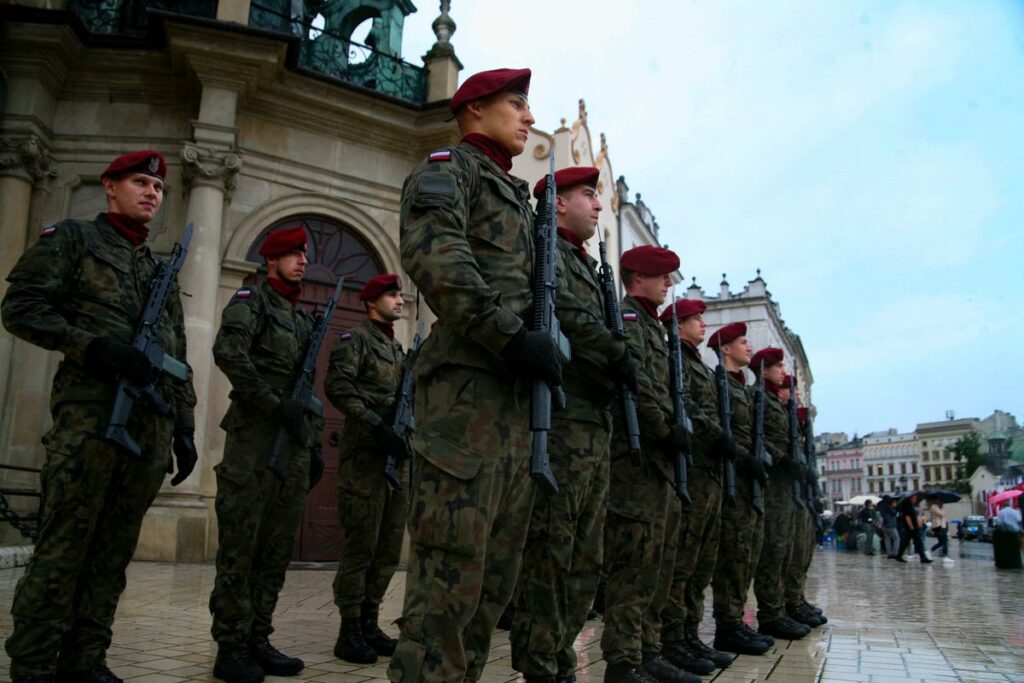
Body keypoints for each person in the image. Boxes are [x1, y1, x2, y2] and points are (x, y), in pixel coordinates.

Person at [388, 68, 566, 683]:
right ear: (474, 110)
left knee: (493, 585)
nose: (527, 117)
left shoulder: (517, 195)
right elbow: (438, 258)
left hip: (513, 409)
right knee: (447, 585)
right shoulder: (448, 169)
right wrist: (511, 337)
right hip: (464, 403)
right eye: (516, 104)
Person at [2, 150, 198, 682]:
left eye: (157, 187)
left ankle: (86, 660)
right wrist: (92, 348)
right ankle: (35, 665)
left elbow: (177, 354)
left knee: (112, 555)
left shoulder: (157, 269)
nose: (152, 193)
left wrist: (184, 426)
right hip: (90, 422)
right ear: (110, 187)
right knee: (63, 548)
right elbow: (20, 308)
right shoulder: (72, 240)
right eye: (140, 182)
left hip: (147, 429)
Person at [510, 167, 636, 683]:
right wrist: (614, 351)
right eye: (589, 194)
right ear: (558, 204)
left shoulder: (588, 264)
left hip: (594, 427)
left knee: (586, 557)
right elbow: (566, 314)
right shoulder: (547, 255)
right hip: (561, 422)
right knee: (551, 551)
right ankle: (540, 662)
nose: (599, 204)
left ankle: (561, 656)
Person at [209, 225, 325, 682]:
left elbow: (306, 390)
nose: (301, 260)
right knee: (242, 548)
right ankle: (230, 647)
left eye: (303, 254)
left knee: (275, 549)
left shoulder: (300, 320)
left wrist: (311, 441)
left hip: (291, 447)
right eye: (291, 254)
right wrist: (274, 404)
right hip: (254, 442)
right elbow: (229, 355)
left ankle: (258, 637)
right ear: (269, 260)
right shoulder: (249, 302)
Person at [600, 245, 697, 683]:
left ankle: (648, 650)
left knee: (657, 565)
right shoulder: (630, 320)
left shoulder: (655, 329)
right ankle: (623, 662)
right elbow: (638, 385)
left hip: (658, 465)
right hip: (636, 460)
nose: (669, 285)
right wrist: (665, 430)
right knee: (633, 567)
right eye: (663, 276)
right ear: (638, 277)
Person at [325, 274, 409, 664]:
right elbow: (339, 388)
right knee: (361, 546)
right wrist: (377, 425)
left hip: (396, 463)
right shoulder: (355, 340)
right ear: (371, 301)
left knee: (388, 548)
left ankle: (370, 621)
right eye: (393, 295)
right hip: (365, 458)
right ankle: (349, 629)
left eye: (401, 294)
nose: (400, 300)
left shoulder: (397, 349)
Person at [658, 300, 737, 675]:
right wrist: (716, 433)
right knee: (683, 561)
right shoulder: (674, 358)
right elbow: (685, 404)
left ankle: (689, 632)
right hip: (691, 468)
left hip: (709, 473)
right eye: (695, 319)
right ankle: (673, 637)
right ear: (678, 325)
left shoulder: (698, 364)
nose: (704, 324)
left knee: (701, 563)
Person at [706, 323, 774, 657]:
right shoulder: (719, 383)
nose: (749, 347)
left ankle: (734, 621)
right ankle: (728, 625)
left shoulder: (744, 388)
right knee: (732, 555)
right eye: (743, 342)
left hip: (748, 480)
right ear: (726, 349)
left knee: (746, 553)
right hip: (730, 478)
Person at [750, 348, 810, 641]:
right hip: (772, 484)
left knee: (786, 548)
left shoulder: (775, 401)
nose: (783, 371)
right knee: (773, 550)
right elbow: (758, 437)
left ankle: (784, 606)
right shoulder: (759, 398)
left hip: (787, 486)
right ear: (764, 370)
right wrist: (782, 460)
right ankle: (771, 613)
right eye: (777, 367)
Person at [894, 492, 932, 564]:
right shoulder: (907, 507)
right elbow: (907, 517)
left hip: (912, 527)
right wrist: (912, 527)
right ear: (911, 498)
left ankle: (899, 555)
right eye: (914, 498)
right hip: (911, 528)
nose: (916, 499)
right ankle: (922, 557)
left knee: (908, 542)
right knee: (916, 542)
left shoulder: (911, 506)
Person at [927, 497, 953, 565]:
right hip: (938, 526)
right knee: (944, 541)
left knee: (941, 542)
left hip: (942, 526)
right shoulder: (933, 507)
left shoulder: (940, 507)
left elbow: (944, 515)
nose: (941, 502)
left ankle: (929, 551)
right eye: (940, 500)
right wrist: (942, 508)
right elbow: (941, 514)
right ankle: (945, 556)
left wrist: (942, 508)